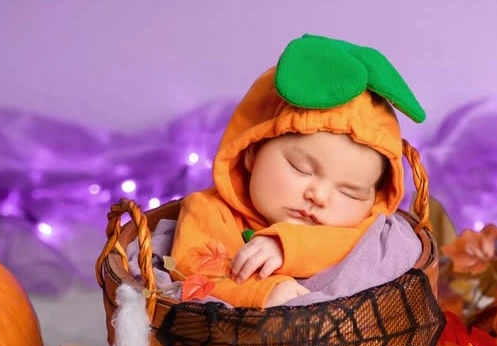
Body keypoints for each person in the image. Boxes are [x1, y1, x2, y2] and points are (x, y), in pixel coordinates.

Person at [169, 34, 425, 307]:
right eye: (301, 169)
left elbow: (352, 243)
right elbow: (194, 269)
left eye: (349, 192)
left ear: (374, 199)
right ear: (253, 153)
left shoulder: (374, 235)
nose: (319, 196)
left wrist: (288, 245)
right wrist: (265, 291)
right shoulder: (209, 212)